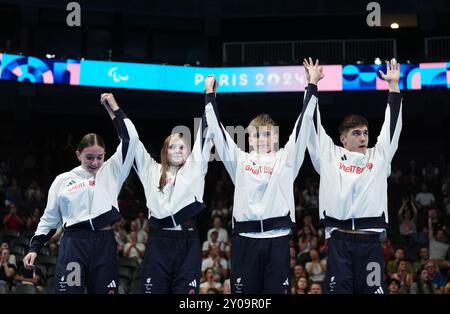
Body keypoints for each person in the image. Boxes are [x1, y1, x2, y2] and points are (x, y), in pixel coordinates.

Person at [203, 59, 321, 293]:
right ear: (249, 138)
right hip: (244, 240)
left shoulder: (286, 158)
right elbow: (217, 131)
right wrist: (209, 96)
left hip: (277, 240)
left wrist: (312, 86)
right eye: (256, 135)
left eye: (267, 134)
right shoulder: (240, 160)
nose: (262, 139)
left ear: (275, 137)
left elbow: (303, 124)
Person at [23, 93, 139, 294]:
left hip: (103, 245)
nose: (95, 162)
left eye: (100, 157)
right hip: (74, 245)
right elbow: (50, 220)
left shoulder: (112, 171)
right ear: (78, 154)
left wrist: (113, 108)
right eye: (89, 157)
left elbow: (132, 139)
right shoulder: (62, 180)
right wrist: (34, 248)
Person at [307, 58, 402, 294]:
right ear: (343, 138)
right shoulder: (329, 155)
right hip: (339, 244)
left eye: (366, 133)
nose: (363, 138)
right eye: (357, 133)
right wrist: (312, 84)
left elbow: (393, 125)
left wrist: (393, 87)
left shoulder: (378, 156)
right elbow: (310, 124)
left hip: (370, 244)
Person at [133, 82, 213, 294]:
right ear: (164, 150)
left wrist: (210, 96)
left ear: (188, 151)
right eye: (172, 146)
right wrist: (115, 111)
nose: (177, 150)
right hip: (158, 241)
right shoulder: (152, 170)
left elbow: (206, 131)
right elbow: (132, 141)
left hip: (188, 242)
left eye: (182, 147)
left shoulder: (195, 168)